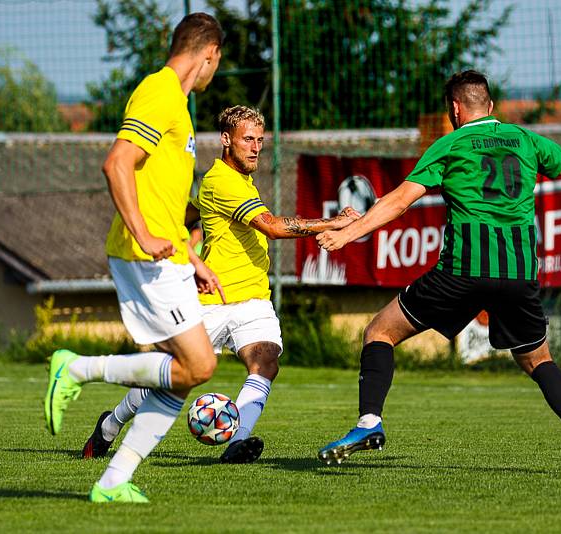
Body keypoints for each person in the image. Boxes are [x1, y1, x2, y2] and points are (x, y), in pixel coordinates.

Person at [315, 70, 561, 474]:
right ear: (490, 106)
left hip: (462, 272)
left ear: (454, 110)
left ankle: (369, 422)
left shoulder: (451, 144)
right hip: (517, 274)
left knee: (379, 332)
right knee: (539, 361)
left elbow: (400, 200)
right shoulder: (525, 141)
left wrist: (350, 233)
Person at [80, 105, 361, 464]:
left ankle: (237, 443)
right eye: (248, 139)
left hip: (253, 298)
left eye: (260, 140)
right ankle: (110, 424)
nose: (256, 147)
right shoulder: (221, 181)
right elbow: (272, 227)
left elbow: (199, 214)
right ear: (226, 140)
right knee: (173, 378)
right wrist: (333, 222)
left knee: (265, 362)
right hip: (213, 299)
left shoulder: (238, 181)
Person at [43, 13, 226, 504]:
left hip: (168, 257)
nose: (213, 72)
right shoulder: (160, 91)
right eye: (216, 63)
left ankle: (113, 481)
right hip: (145, 256)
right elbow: (117, 161)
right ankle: (76, 369)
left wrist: (193, 258)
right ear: (210, 53)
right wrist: (143, 234)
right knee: (199, 365)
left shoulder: (179, 106)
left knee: (183, 373)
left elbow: (161, 194)